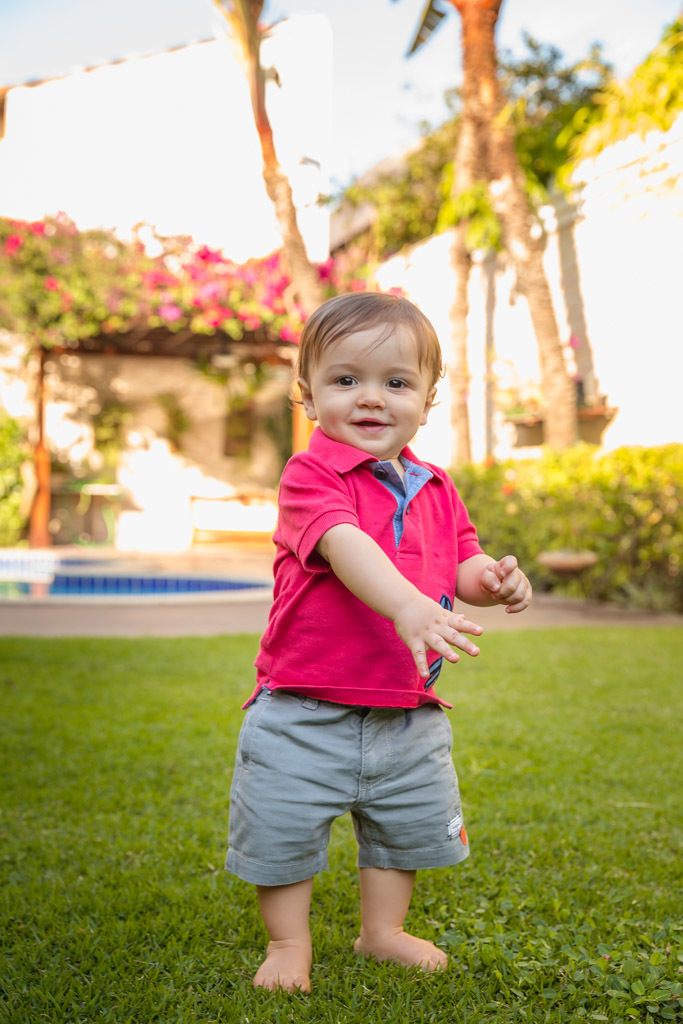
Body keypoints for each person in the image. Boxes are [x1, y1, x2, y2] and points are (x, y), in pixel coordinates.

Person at [226, 292, 532, 993]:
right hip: (304, 705)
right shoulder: (312, 475)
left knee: (402, 827)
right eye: (345, 380)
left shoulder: (434, 485)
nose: (370, 399)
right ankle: (286, 941)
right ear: (307, 394)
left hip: (407, 707)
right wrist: (408, 605)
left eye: (395, 383)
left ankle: (381, 932)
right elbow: (344, 544)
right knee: (284, 828)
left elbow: (461, 559)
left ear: (426, 400)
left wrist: (494, 579)